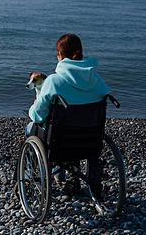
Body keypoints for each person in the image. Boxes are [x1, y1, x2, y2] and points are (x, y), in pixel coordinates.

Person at [26, 33, 109, 198]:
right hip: (90, 140)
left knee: (30, 128)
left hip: (60, 141)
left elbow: (38, 116)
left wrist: (32, 108)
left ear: (60, 55)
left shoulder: (53, 81)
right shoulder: (97, 80)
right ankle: (77, 178)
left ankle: (30, 177)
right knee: (76, 126)